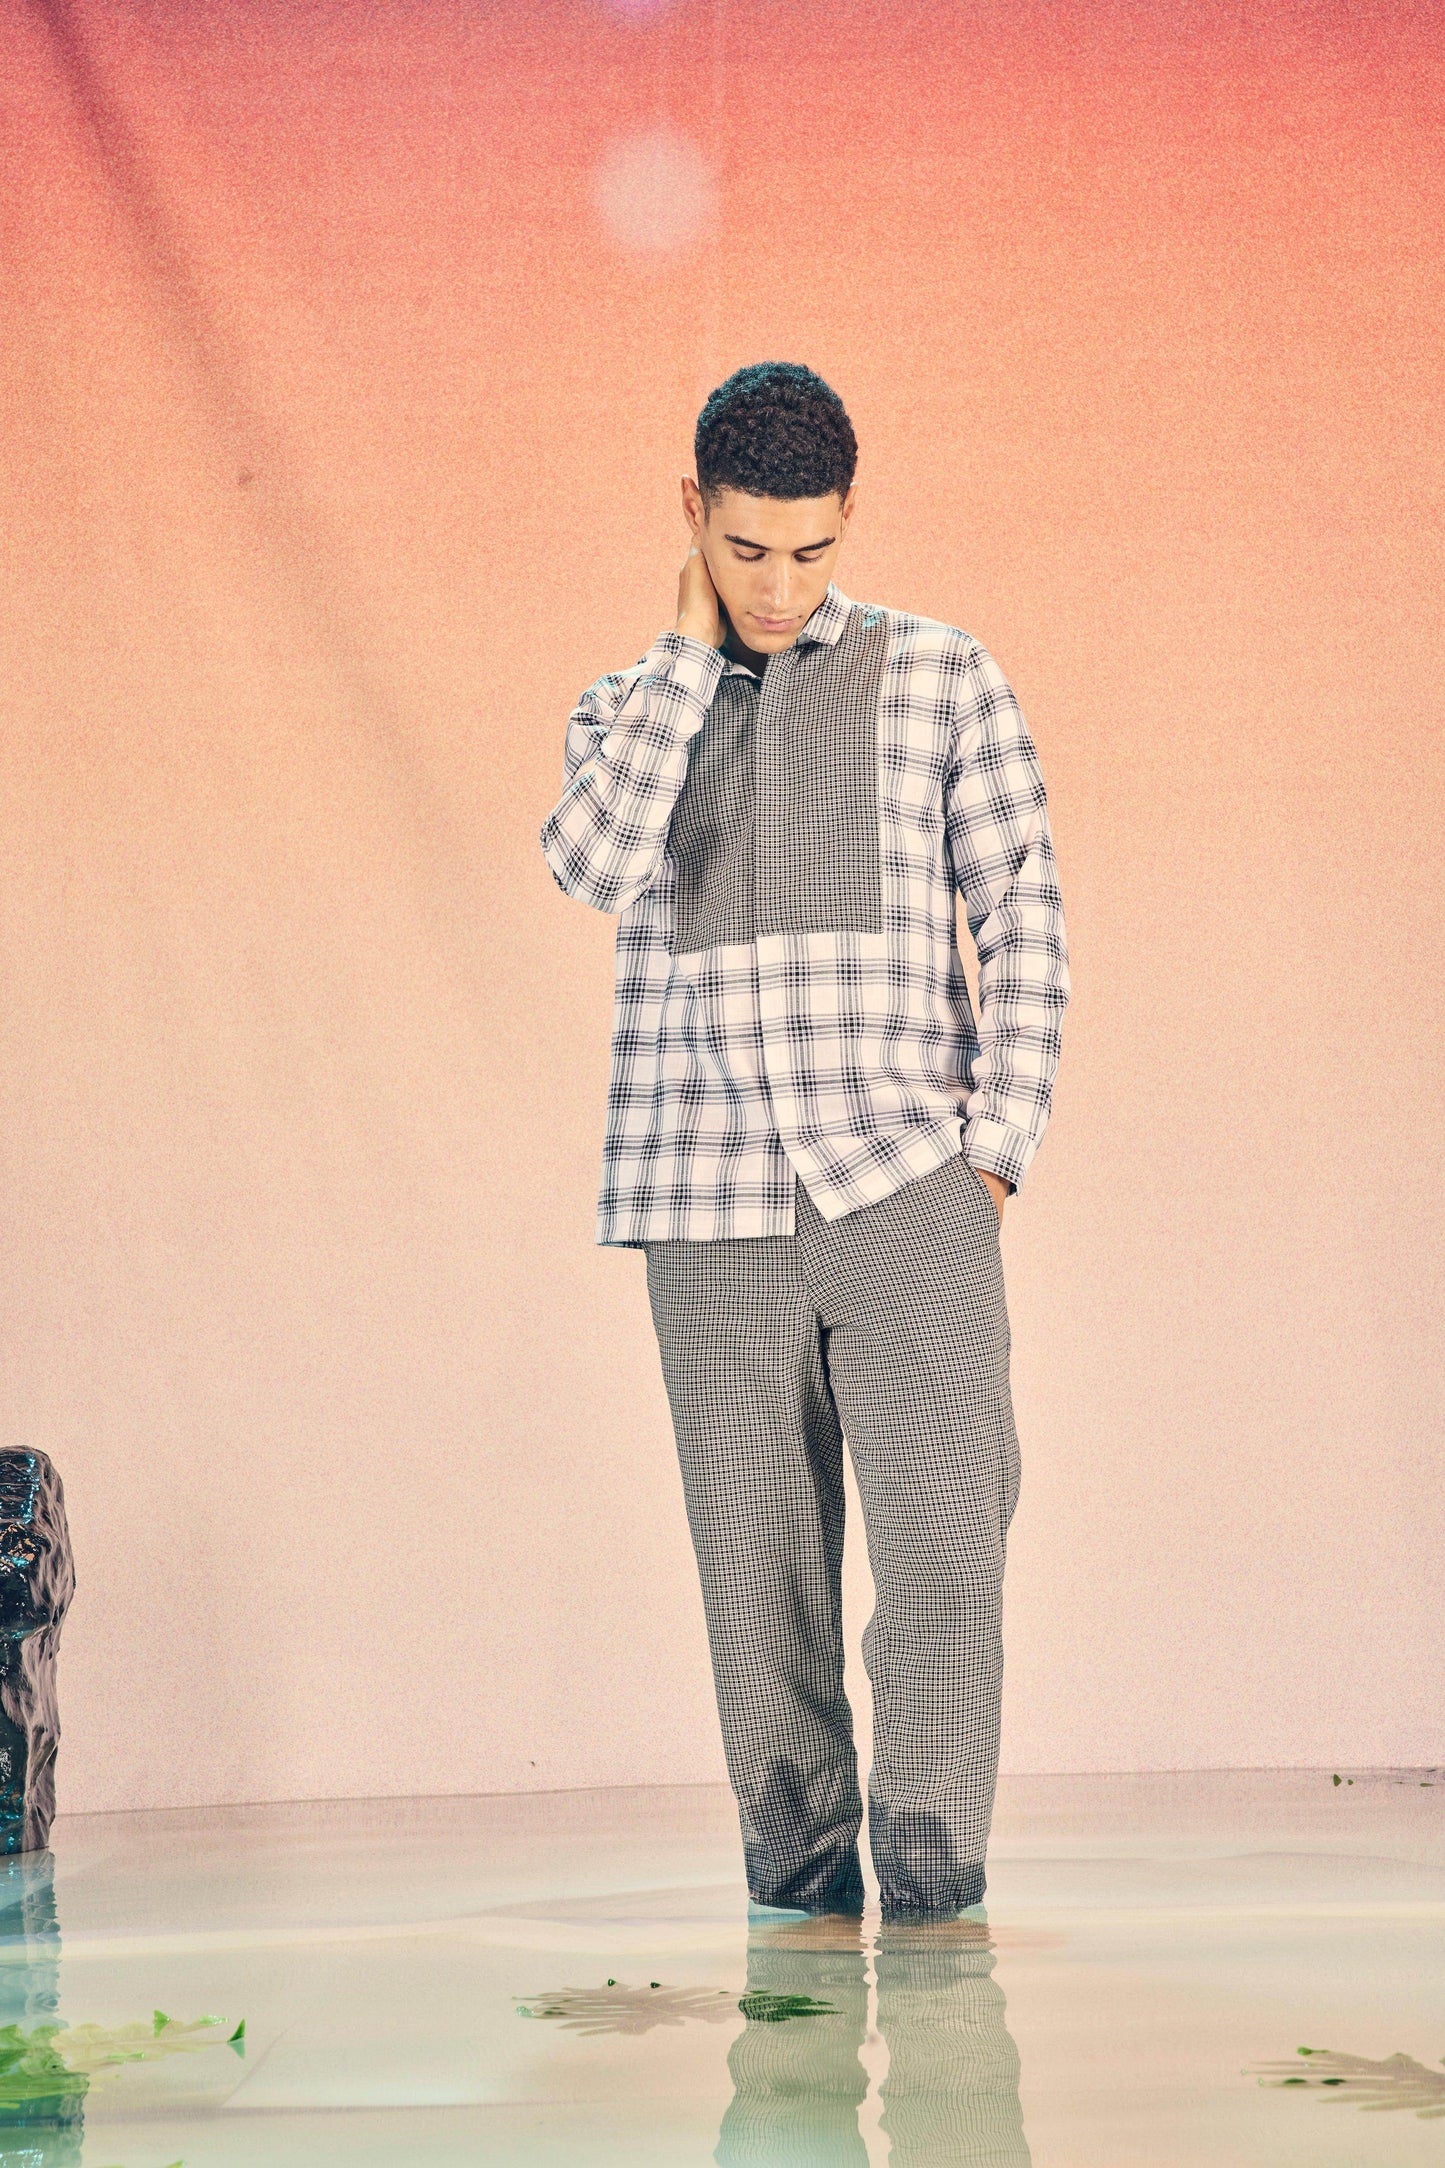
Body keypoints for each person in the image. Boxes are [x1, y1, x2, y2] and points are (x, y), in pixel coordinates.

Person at [539, 362, 1069, 1922]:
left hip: (905, 1182)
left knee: (948, 1549)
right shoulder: (625, 710)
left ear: (847, 520)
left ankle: (934, 1885)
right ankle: (796, 1899)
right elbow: (592, 866)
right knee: (755, 1583)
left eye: (811, 550)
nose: (779, 586)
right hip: (704, 1203)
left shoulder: (940, 678)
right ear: (692, 515)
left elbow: (1023, 910)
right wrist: (682, 658)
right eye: (746, 550)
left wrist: (993, 1152)